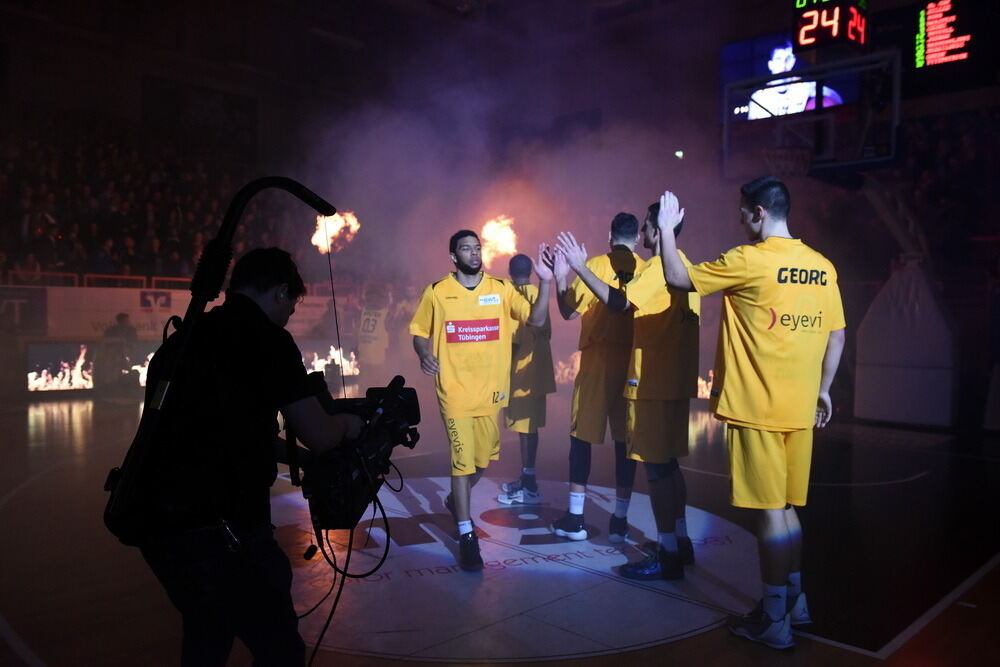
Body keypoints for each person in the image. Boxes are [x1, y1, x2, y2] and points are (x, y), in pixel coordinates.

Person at [137, 248, 363, 666]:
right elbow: (320, 434)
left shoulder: (186, 338)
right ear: (280, 292)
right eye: (292, 304)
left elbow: (217, 431)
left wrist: (291, 454)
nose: (290, 315)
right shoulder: (268, 340)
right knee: (280, 650)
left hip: (158, 524)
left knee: (208, 633)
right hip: (222, 528)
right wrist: (349, 425)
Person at [655, 179, 846, 649]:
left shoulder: (748, 259)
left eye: (743, 214)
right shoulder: (821, 266)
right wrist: (823, 390)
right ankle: (796, 603)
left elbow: (680, 279)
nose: (740, 221)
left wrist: (665, 230)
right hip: (800, 409)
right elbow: (837, 335)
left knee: (768, 517)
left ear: (759, 213)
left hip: (759, 409)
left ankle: (774, 617)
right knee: (787, 510)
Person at [555, 200, 699, 580]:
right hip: (676, 381)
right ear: (635, 236)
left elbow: (607, 304)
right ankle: (669, 537)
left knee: (608, 449)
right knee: (663, 464)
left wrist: (575, 268)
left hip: (644, 376)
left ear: (652, 230)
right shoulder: (688, 270)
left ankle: (664, 549)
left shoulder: (654, 268)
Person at [409, 231, 552, 571]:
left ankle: (454, 500)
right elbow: (419, 332)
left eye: (477, 248)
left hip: (490, 394)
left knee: (481, 463)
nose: (474, 254)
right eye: (466, 249)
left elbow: (538, 319)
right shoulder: (437, 292)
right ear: (453, 257)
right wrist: (423, 354)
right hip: (454, 392)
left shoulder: (501, 289)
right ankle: (466, 535)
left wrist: (546, 282)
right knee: (461, 463)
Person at [550, 213, 641, 543]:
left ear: (609, 234)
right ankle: (619, 519)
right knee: (625, 443)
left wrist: (562, 277)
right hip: (633, 364)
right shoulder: (647, 268)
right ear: (638, 238)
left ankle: (575, 518)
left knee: (582, 438)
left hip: (598, 362)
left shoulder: (597, 265)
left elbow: (568, 311)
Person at [497, 253, 556, 505]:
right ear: (532, 272)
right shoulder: (538, 293)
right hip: (539, 371)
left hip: (520, 373)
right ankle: (527, 478)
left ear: (510, 272)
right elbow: (547, 332)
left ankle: (529, 486)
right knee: (529, 429)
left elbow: (512, 339)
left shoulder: (508, 294)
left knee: (524, 430)